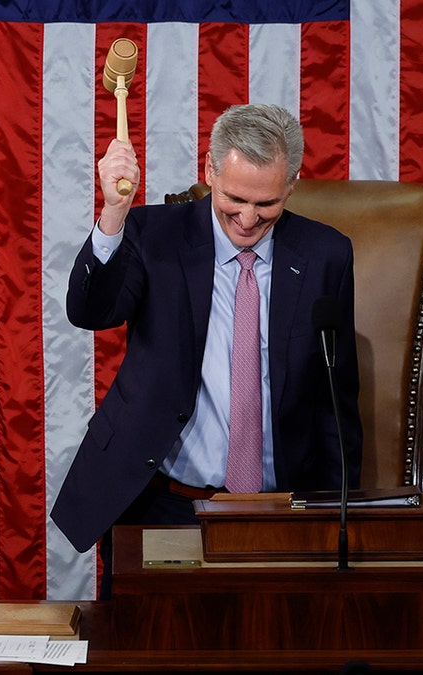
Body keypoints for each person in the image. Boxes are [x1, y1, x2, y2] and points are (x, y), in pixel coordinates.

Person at [50, 104, 363, 585]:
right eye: (234, 198)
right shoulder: (154, 235)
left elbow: (335, 404)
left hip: (279, 511)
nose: (247, 218)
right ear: (209, 171)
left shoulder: (326, 255)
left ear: (292, 185)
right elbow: (89, 312)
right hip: (161, 502)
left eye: (267, 205)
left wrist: (340, 522)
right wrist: (114, 212)